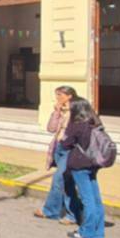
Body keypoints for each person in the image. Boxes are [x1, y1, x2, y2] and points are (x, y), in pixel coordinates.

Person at [62, 97, 107, 238]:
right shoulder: (95, 122)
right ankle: (98, 231)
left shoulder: (77, 124)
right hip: (94, 163)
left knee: (87, 199)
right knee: (95, 198)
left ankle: (87, 233)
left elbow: (66, 143)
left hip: (80, 164)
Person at [35, 86, 79, 225]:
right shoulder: (61, 111)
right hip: (59, 148)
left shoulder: (77, 110)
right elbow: (51, 128)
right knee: (67, 183)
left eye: (60, 95)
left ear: (69, 96)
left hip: (70, 149)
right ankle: (73, 213)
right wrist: (56, 112)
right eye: (57, 95)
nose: (58, 98)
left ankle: (50, 211)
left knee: (58, 179)